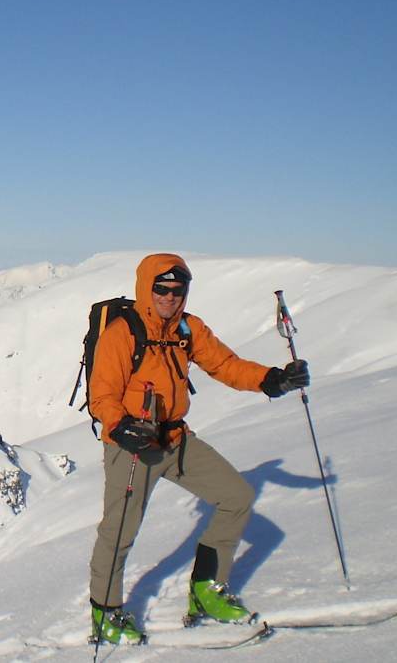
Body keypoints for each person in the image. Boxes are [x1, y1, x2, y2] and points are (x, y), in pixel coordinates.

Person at [87, 253, 310, 644]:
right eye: (162, 288)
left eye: (178, 289)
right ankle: (105, 613)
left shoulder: (188, 329)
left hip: (175, 439)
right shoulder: (122, 333)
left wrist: (273, 379)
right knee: (119, 530)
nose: (170, 296)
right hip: (133, 446)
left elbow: (226, 365)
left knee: (236, 496)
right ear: (147, 288)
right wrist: (120, 426)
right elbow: (102, 394)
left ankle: (207, 589)